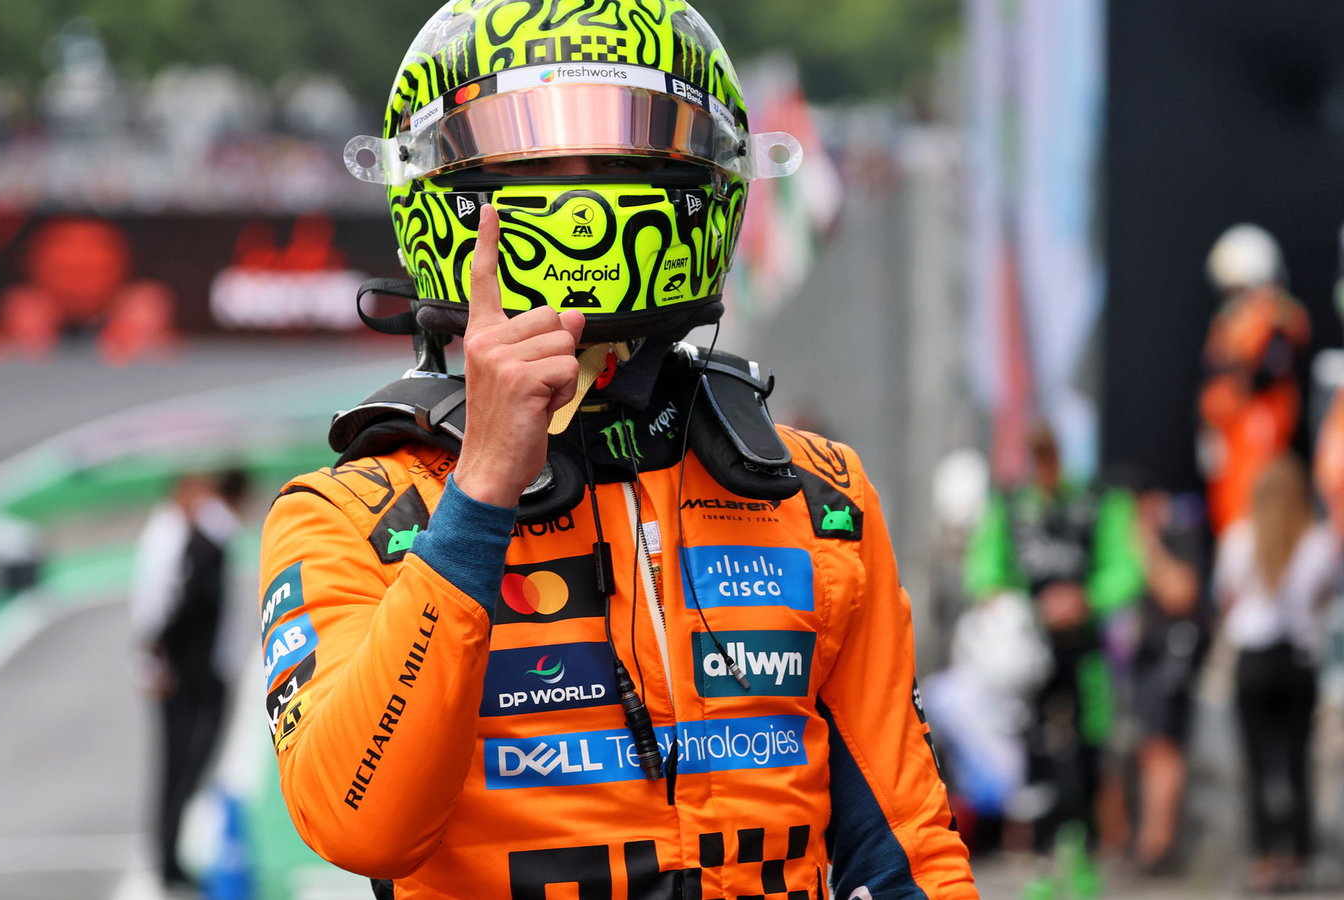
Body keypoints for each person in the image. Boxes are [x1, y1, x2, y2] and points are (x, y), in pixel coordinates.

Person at [258, 3, 976, 898]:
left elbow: (907, 854)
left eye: (619, 156)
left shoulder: (818, 498)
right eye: (533, 159)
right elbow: (358, 824)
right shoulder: (349, 519)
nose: (579, 194)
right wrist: (479, 494)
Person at [963, 424, 1143, 891]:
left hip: (1085, 652)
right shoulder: (1010, 504)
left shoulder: (1101, 501)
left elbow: (1127, 568)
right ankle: (1043, 858)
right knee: (1034, 752)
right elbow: (983, 567)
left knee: (1089, 749)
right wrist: (1001, 598)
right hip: (1029, 655)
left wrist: (1087, 599)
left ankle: (1081, 856)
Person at [1212, 454, 1336, 894]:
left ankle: (1265, 855)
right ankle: (1296, 855)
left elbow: (1226, 596)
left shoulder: (1238, 539)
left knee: (1257, 762)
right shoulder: (1317, 541)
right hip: (1297, 661)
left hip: (1254, 659)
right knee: (1297, 761)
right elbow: (1324, 596)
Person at [133, 468, 247, 891]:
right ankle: (167, 859)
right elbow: (156, 606)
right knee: (182, 765)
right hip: (185, 673)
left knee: (181, 767)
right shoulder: (169, 538)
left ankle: (168, 856)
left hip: (187, 668)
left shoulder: (184, 532)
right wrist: (150, 663)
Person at [1198, 224, 1310, 537]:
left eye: (1238, 290)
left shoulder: (1276, 321)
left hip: (1259, 440)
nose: (1234, 301)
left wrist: (1235, 385)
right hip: (1230, 446)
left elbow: (1266, 374)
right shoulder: (1226, 325)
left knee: (1257, 518)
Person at [1126, 485, 1210, 874]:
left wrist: (1147, 543)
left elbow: (1180, 592)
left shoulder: (1179, 536)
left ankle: (1159, 847)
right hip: (1149, 662)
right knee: (1151, 749)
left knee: (1164, 751)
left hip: (1171, 660)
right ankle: (1149, 843)